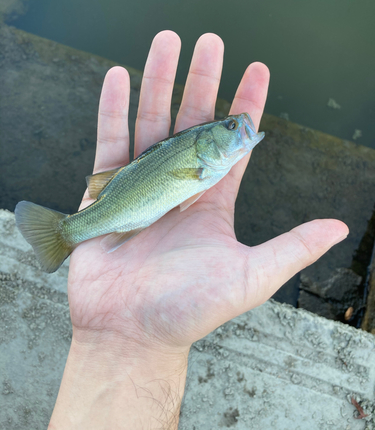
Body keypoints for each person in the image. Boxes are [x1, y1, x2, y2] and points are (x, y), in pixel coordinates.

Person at [48, 31, 348, 429]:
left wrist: (134, 340)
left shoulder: (203, 164)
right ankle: (67, 232)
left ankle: (70, 232)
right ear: (203, 146)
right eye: (227, 127)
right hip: (125, 210)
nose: (238, 125)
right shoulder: (197, 162)